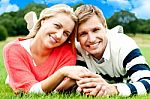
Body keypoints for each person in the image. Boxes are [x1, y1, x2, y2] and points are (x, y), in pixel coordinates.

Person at [3, 4, 90, 94]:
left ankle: (35, 28)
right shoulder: (13, 49)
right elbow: (29, 92)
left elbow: (61, 87)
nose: (59, 35)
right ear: (43, 21)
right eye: (57, 26)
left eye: (66, 33)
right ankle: (11, 77)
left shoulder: (67, 51)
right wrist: (62, 72)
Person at [74, 4, 150, 97]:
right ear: (77, 38)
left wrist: (114, 89)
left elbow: (148, 82)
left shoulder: (124, 45)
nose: (91, 39)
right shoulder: (79, 49)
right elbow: (80, 84)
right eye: (83, 34)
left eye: (95, 30)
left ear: (105, 27)